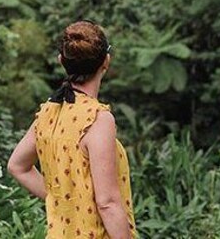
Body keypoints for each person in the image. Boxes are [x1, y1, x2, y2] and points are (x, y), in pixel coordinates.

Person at [8, 20, 136, 239]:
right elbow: (107, 203)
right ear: (106, 61)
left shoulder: (49, 111)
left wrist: (61, 198)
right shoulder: (98, 118)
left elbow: (17, 166)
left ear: (61, 61)